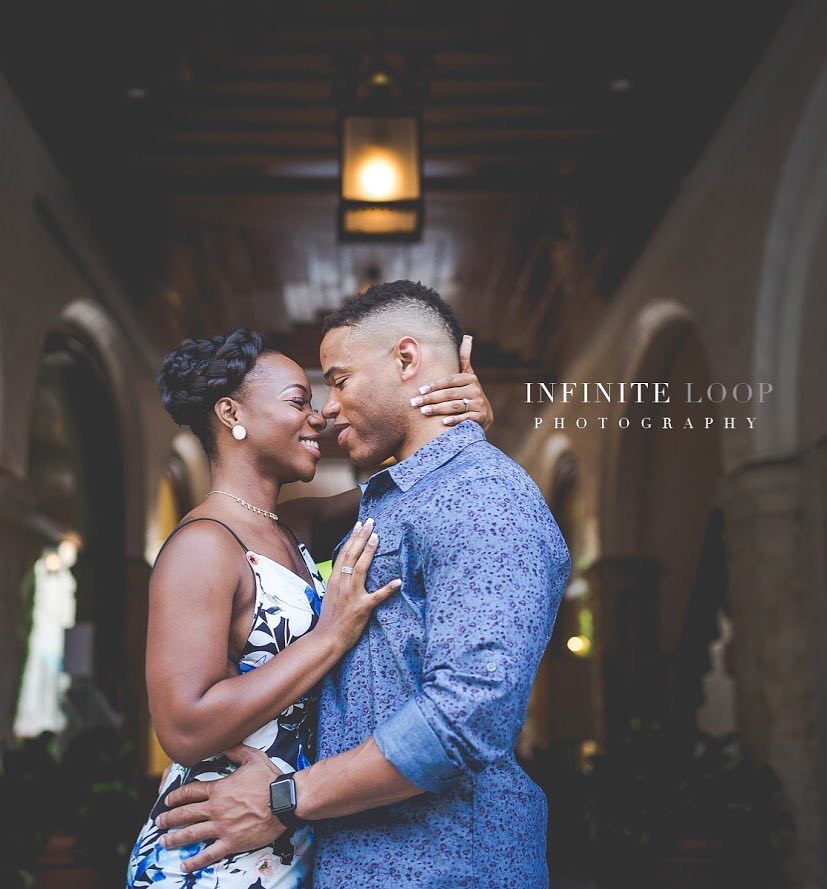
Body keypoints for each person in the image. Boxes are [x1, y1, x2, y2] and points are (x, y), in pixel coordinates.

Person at [156, 282, 571, 888]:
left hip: (439, 866)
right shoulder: (388, 503)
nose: (325, 409)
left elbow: (465, 716)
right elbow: (258, 531)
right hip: (305, 852)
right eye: (308, 394)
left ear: (406, 361)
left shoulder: (480, 498)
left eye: (339, 379)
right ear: (232, 415)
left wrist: (284, 798)